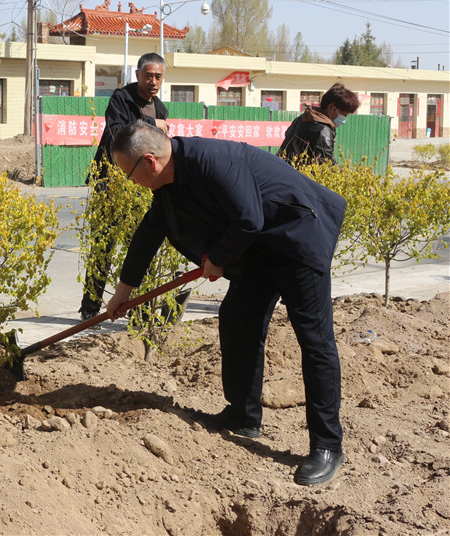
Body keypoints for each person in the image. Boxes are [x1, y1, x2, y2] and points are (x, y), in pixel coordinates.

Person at [105, 122, 348, 486]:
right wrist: (123, 291)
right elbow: (149, 233)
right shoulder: (170, 182)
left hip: (298, 238)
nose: (131, 182)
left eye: (129, 174)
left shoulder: (213, 160)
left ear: (150, 162)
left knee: (314, 340)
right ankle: (243, 415)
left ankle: (328, 445)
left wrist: (217, 258)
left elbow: (249, 218)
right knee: (237, 319)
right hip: (259, 249)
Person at [79, 52, 169, 321]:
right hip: (110, 184)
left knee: (140, 248)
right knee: (103, 247)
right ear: (138, 75)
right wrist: (152, 124)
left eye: (158, 76)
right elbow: (117, 131)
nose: (153, 81)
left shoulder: (161, 108)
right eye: (148, 75)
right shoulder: (121, 98)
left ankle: (138, 311)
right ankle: (90, 309)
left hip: (139, 186)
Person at [278, 83, 360, 166]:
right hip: (299, 173)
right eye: (344, 114)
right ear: (331, 107)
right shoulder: (323, 130)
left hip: (282, 167)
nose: (345, 117)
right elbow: (326, 163)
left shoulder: (303, 118)